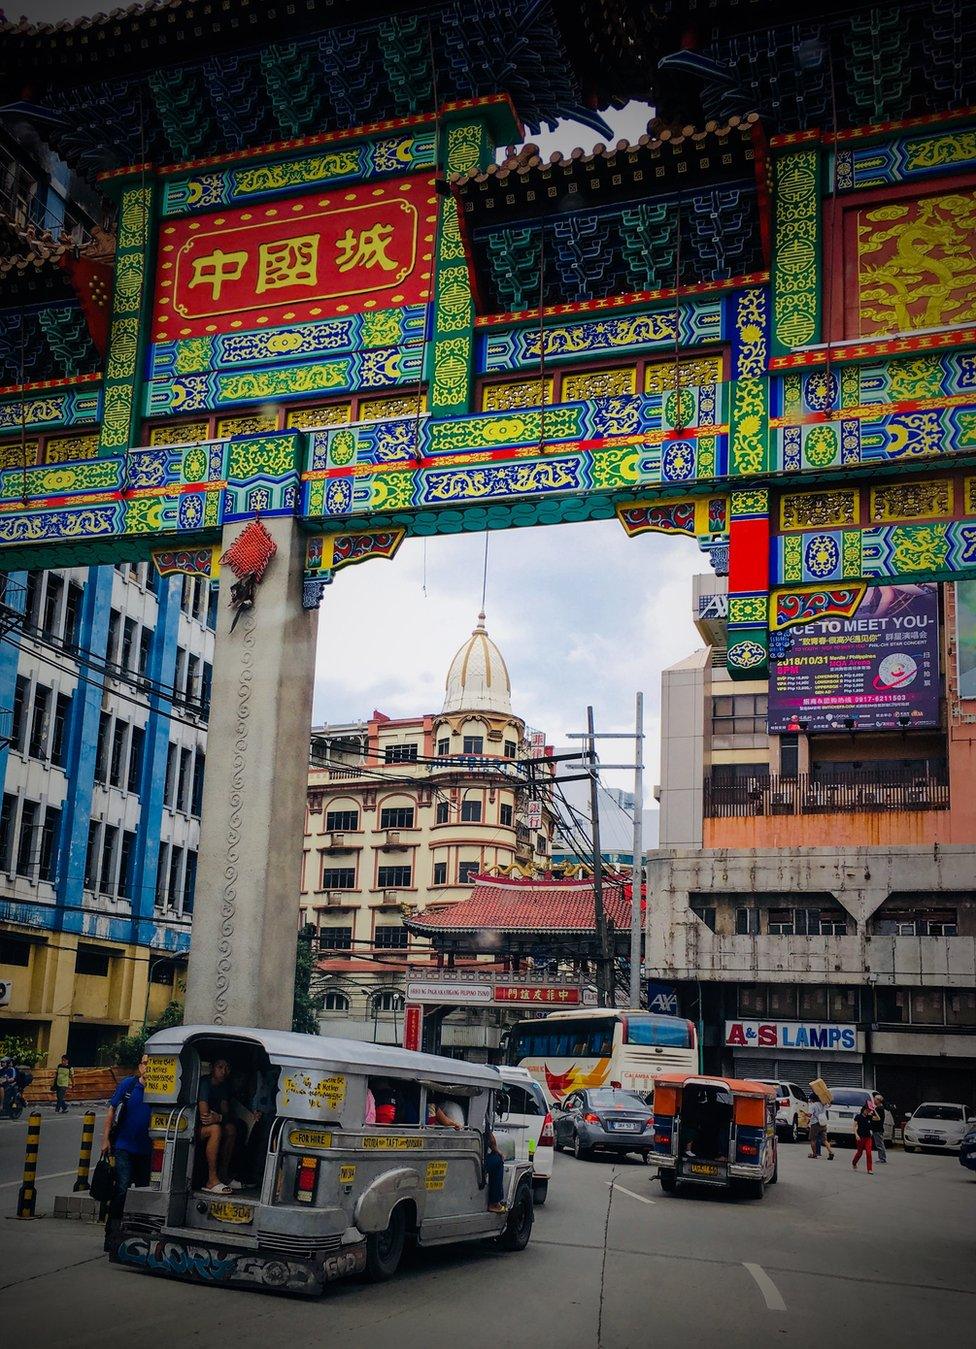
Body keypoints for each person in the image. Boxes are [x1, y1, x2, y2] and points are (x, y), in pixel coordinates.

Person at [102, 1052, 152, 1245]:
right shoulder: (128, 1085)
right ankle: (112, 1233)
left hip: (147, 1151)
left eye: (154, 1064)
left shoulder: (162, 1091)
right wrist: (105, 1139)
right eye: (146, 1063)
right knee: (122, 1189)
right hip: (124, 1147)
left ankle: (136, 1236)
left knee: (142, 1193)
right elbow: (111, 1110)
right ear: (140, 1066)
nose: (149, 1067)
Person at [197, 1057, 239, 1194]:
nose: (223, 1071)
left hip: (214, 1122)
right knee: (216, 1129)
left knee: (231, 1129)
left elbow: (225, 1114)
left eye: (227, 1068)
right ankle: (211, 1180)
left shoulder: (224, 1086)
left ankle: (223, 1175)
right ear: (212, 1068)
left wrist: (219, 1117)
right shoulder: (205, 1083)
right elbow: (205, 1117)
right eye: (220, 1067)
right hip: (194, 1127)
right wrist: (218, 1118)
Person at [852, 1099, 879, 1174]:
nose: (868, 1111)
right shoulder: (858, 1117)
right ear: (863, 1110)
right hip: (860, 1137)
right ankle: (854, 1163)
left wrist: (874, 1110)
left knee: (869, 1153)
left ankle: (869, 1169)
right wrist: (856, 1135)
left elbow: (878, 1118)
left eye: (869, 1110)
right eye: (867, 1110)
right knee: (859, 1153)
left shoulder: (869, 1117)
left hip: (868, 1138)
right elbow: (854, 1127)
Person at [872, 1092, 889, 1164]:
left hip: (878, 1128)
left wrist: (871, 1117)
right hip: (877, 1128)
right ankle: (882, 1158)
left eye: (875, 1099)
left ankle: (882, 1158)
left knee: (879, 1144)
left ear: (878, 1100)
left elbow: (878, 1118)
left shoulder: (880, 1108)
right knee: (879, 1144)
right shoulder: (879, 1108)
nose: (874, 1100)